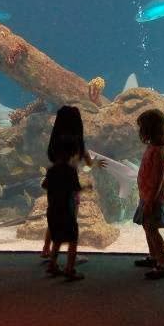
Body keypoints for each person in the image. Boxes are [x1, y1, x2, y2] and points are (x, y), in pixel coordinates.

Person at [41, 105, 105, 261]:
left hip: (55, 189)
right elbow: (89, 163)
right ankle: (71, 258)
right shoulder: (78, 144)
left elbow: (45, 184)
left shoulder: (55, 145)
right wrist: (95, 164)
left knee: (54, 217)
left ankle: (46, 249)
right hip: (70, 187)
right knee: (70, 220)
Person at [133, 109, 164, 280]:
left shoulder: (159, 151)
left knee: (153, 229)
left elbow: (157, 179)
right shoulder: (152, 147)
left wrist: (150, 200)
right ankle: (153, 257)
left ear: (151, 129)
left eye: (142, 127)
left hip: (154, 198)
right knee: (147, 226)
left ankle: (162, 264)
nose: (140, 131)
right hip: (146, 196)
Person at [42, 134, 85, 281]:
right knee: (72, 240)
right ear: (73, 153)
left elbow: (44, 185)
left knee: (57, 240)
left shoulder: (51, 170)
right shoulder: (71, 170)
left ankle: (52, 265)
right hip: (67, 212)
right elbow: (76, 188)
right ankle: (70, 269)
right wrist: (87, 187)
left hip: (53, 211)